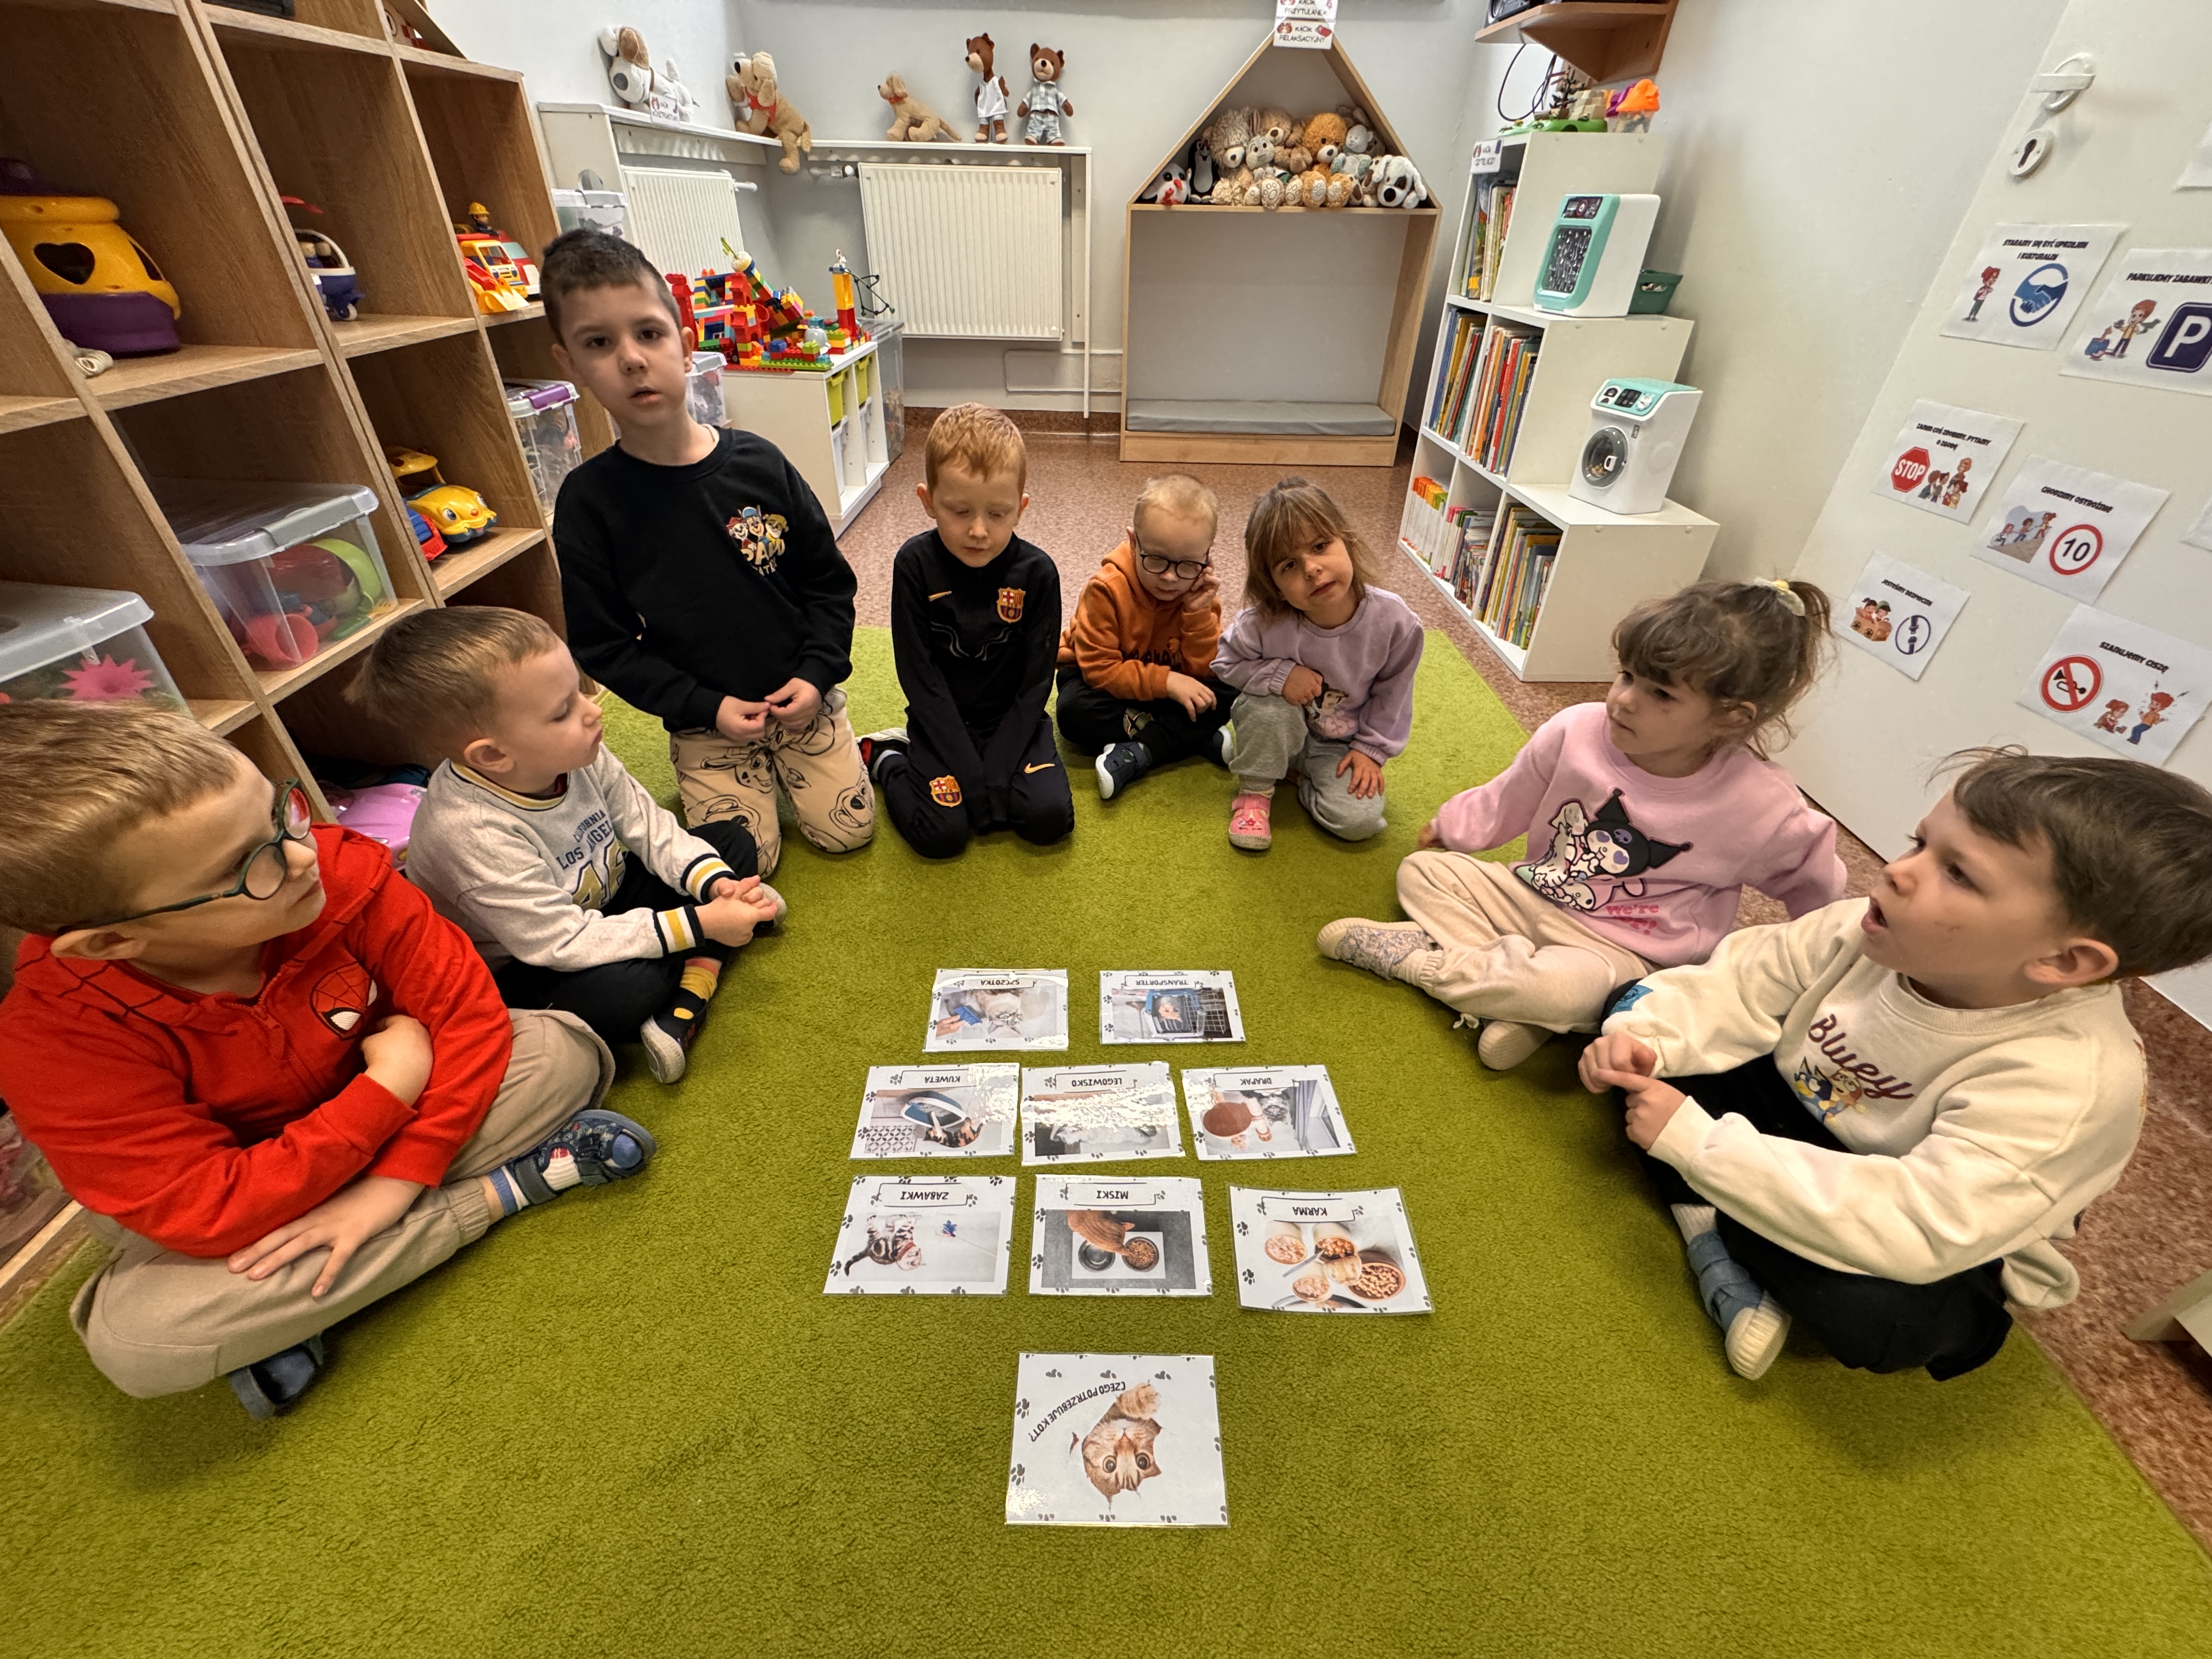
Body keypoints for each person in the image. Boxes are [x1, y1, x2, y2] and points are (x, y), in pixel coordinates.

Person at [0, 703, 647, 1418]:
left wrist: (392, 1184)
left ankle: (297, 1307)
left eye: (279, 814)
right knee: (139, 1341)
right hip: (269, 1174)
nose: (305, 856)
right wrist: (389, 1087)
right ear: (111, 944)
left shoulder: (338, 870)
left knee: (558, 1052)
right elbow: (208, 1207)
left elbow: (467, 1014)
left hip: (354, 1148)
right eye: (248, 866)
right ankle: (507, 1190)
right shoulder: (53, 1039)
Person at [1580, 749, 2212, 1382]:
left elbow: (1921, 1222)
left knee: (1880, 1317)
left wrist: (1702, 1148)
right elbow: (1741, 982)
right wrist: (1647, 1041)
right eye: (1921, 843)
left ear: (2063, 963)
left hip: (1930, 1222)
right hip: (1799, 1115)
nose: (1898, 871)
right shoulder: (1870, 927)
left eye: (1958, 874)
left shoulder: (2073, 1082)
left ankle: (1713, 1211)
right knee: (1638, 1014)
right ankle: (1719, 1222)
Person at [1321, 578, 1847, 1071]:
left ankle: (1433, 964)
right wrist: (1457, 826)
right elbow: (1513, 793)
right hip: (1532, 894)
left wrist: (1823, 971)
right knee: (1422, 871)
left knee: (1574, 992)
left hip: (1624, 952)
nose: (1624, 700)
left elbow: (1820, 896)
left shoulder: (1762, 806)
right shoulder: (1577, 728)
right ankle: (1523, 1002)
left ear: (1732, 717)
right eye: (1627, 675)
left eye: (1662, 695)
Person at [541, 228, 872, 876]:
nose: (631, 360)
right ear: (570, 365)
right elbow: (605, 646)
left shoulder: (760, 463)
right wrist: (704, 707)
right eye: (598, 343)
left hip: (801, 696)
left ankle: (873, 748)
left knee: (847, 833)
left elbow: (828, 583)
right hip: (706, 722)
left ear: (687, 344)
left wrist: (817, 675)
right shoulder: (588, 503)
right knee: (747, 862)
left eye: (649, 334)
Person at [357, 607, 782, 1084]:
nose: (593, 709)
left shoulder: (577, 749)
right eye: (563, 711)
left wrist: (716, 885)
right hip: (531, 957)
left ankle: (692, 979)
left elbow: (648, 827)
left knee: (729, 841)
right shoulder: (470, 831)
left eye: (579, 689)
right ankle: (700, 970)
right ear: (493, 755)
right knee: (626, 994)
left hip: (600, 898)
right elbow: (558, 941)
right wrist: (701, 922)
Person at [861, 403, 1073, 857]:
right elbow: (920, 678)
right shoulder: (914, 565)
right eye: (959, 511)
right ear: (927, 501)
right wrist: (973, 777)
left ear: (1021, 509)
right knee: (943, 835)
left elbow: (1035, 685)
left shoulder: (1038, 573)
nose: (978, 531)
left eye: (997, 514)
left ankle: (987, 778)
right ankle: (888, 759)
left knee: (1048, 819)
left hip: (1013, 722)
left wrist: (994, 773)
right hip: (942, 722)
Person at [1212, 477, 1424, 851]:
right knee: (1268, 708)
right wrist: (1281, 676)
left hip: (1339, 745)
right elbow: (1225, 662)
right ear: (1275, 587)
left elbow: (1394, 695)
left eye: (1320, 546)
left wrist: (1370, 750)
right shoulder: (1264, 623)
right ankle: (1255, 792)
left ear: (1348, 541)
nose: (1311, 569)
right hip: (1280, 726)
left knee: (1361, 822)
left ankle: (1295, 773)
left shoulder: (1396, 623)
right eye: (1289, 565)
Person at [1054, 472, 1233, 799]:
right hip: (1103, 684)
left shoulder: (1200, 593)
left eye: (1188, 564)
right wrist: (1168, 683)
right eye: (1156, 560)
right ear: (1134, 542)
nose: (1170, 578)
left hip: (1161, 692)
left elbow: (1206, 670)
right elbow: (1100, 670)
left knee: (1234, 684)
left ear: (1207, 556)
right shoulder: (1106, 589)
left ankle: (1139, 751)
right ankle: (1186, 735)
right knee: (1072, 711)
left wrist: (1196, 615)